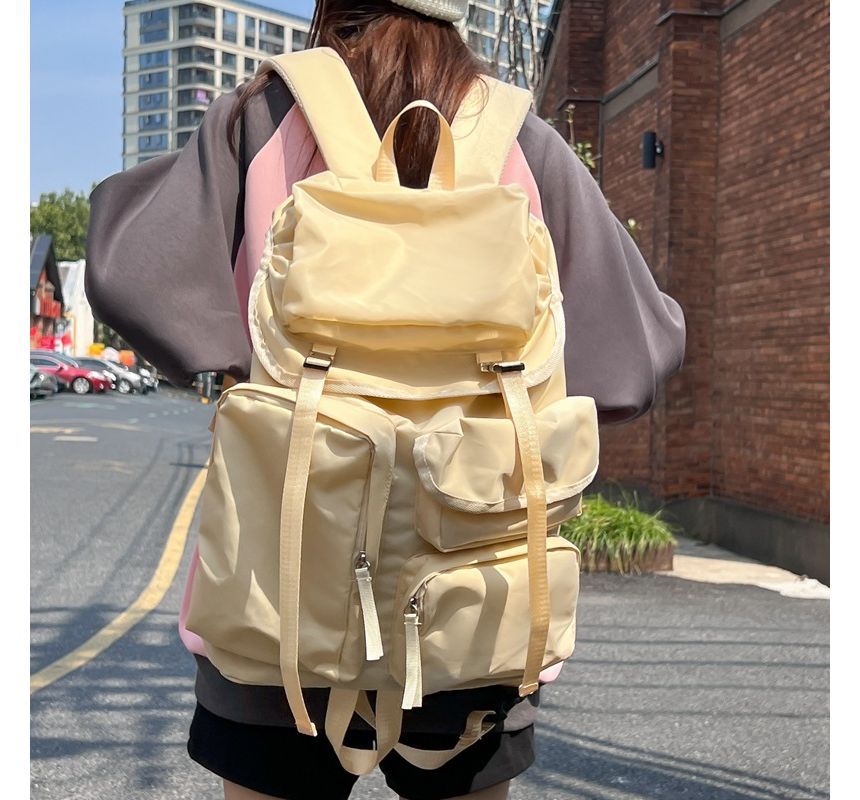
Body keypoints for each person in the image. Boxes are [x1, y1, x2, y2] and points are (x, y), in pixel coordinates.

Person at [85, 1, 686, 798]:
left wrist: (236, 359)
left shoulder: (262, 118)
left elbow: (129, 273)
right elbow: (637, 351)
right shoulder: (521, 139)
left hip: (279, 592)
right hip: (477, 592)